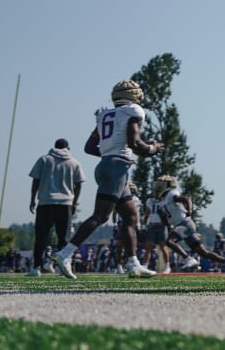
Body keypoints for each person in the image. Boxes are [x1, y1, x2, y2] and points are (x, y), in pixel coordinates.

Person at [52, 80, 164, 279]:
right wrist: (153, 148)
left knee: (130, 215)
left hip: (108, 165)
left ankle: (133, 264)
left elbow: (89, 146)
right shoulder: (134, 111)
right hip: (116, 168)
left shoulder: (105, 114)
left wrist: (109, 154)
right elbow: (135, 142)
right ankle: (65, 253)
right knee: (101, 216)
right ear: (134, 96)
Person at [153, 175, 225, 275]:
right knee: (203, 252)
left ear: (167, 185)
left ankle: (188, 259)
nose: (158, 187)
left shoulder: (171, 194)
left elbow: (186, 198)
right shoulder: (163, 201)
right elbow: (166, 223)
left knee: (169, 241)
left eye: (160, 184)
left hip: (185, 223)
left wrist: (189, 210)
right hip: (182, 225)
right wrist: (162, 216)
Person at [28, 138, 85, 277]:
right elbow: (79, 184)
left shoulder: (44, 159)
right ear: (67, 148)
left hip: (45, 202)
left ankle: (36, 268)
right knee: (63, 238)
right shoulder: (74, 162)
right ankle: (62, 268)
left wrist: (32, 199)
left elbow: (36, 180)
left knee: (41, 237)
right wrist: (74, 202)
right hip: (65, 203)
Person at [111, 181, 142, 274]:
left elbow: (137, 214)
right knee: (119, 246)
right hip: (122, 223)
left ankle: (129, 264)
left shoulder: (136, 200)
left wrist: (138, 224)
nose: (131, 191)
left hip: (132, 224)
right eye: (130, 189)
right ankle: (118, 265)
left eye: (132, 189)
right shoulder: (120, 198)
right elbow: (115, 213)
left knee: (132, 247)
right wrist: (115, 224)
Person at [141, 190, 171, 274]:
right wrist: (144, 226)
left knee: (163, 246)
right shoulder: (149, 201)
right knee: (148, 246)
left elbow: (168, 214)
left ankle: (167, 266)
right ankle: (145, 266)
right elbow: (147, 214)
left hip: (162, 225)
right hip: (152, 225)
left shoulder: (164, 201)